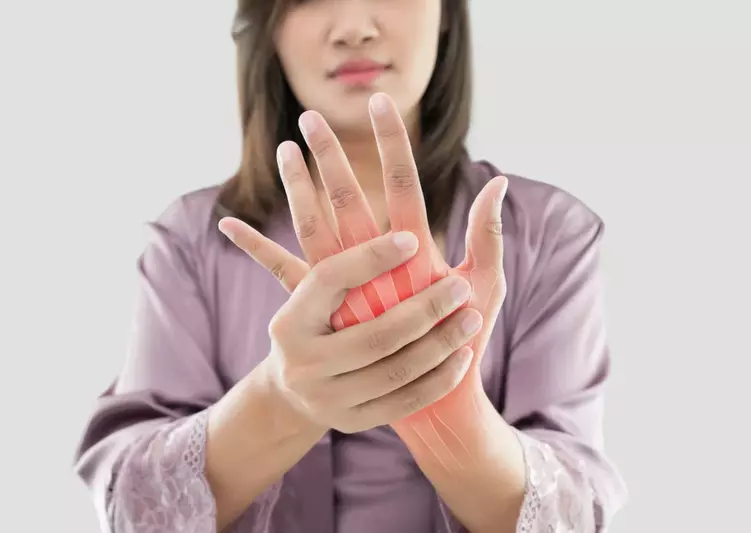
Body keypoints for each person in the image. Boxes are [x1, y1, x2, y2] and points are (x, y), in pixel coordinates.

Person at [73, 1, 628, 531]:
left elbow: (576, 518)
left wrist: (457, 425)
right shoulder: (193, 242)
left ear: (447, 13)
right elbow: (130, 511)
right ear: (265, 22)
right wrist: (280, 402)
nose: (354, 27)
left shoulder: (548, 235)